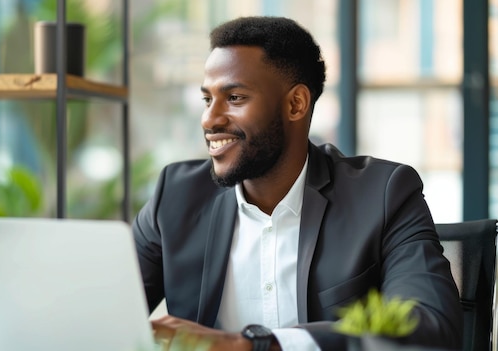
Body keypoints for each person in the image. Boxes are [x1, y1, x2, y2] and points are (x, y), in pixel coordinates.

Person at [133, 16, 463, 351]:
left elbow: (430, 327)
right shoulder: (174, 197)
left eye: (234, 98)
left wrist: (255, 345)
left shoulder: (383, 194)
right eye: (208, 100)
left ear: (296, 104)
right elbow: (99, 315)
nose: (210, 118)